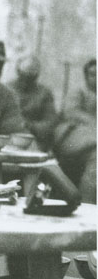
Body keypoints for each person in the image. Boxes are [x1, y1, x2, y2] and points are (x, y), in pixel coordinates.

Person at [54, 57, 96, 203]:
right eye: (93, 74)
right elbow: (71, 112)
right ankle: (88, 204)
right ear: (86, 76)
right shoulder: (79, 92)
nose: (96, 78)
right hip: (74, 138)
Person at [8, 55, 58, 150]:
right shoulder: (7, 89)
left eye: (30, 78)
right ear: (18, 72)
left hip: (34, 140)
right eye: (23, 76)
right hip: (9, 137)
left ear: (36, 76)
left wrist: (30, 125)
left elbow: (50, 123)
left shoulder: (44, 93)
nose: (25, 82)